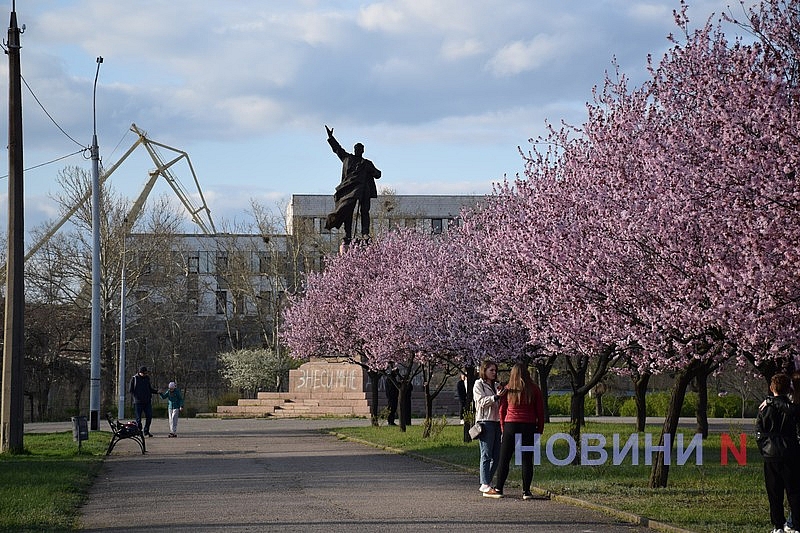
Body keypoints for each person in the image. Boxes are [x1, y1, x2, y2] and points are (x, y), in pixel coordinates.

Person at [484, 362, 544, 500]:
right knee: (527, 459)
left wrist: (503, 428)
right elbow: (540, 411)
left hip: (511, 424)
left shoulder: (508, 389)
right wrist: (539, 429)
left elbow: (502, 410)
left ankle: (499, 488)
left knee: (504, 458)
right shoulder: (534, 389)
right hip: (529, 425)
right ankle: (526, 491)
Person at [756, 373, 800, 533]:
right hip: (790, 453)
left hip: (770, 454)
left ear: (771, 387)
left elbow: (759, 432)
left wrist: (764, 449)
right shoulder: (792, 408)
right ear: (788, 389)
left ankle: (778, 526)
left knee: (774, 493)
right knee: (794, 492)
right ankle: (796, 524)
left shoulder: (764, 408)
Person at [323, 125, 381, 244]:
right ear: (355, 150)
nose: (358, 150)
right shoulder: (348, 158)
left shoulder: (366, 163)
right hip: (350, 190)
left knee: (364, 211)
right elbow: (337, 149)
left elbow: (378, 174)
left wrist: (372, 170)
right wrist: (331, 138)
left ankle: (364, 233)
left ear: (362, 150)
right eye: (357, 148)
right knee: (348, 210)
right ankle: (348, 234)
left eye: (360, 149)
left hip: (363, 190)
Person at [473, 359, 505, 494]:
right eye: (491, 370)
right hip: (485, 421)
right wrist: (495, 397)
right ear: (484, 371)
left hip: (497, 421)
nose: (494, 373)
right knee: (486, 454)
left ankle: (487, 481)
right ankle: (484, 483)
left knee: (497, 455)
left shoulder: (496, 385)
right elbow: (480, 401)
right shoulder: (478, 384)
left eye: (495, 370)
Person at [129, 366, 159, 437]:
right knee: (138, 418)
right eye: (144, 373)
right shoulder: (134, 378)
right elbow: (131, 390)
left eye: (146, 373)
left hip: (147, 401)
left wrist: (156, 391)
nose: (145, 374)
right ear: (140, 372)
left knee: (149, 416)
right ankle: (139, 431)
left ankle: (146, 431)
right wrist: (136, 397)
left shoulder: (147, 378)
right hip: (138, 402)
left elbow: (149, 389)